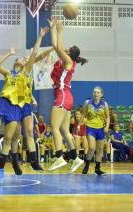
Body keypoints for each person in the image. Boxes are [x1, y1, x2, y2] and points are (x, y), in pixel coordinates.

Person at [0, 28, 52, 180]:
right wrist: (9, 53)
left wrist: (41, 36)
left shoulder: (26, 72)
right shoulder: (9, 73)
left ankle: (1, 169)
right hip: (3, 103)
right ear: (16, 62)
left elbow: (36, 55)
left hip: (18, 106)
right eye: (21, 58)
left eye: (25, 59)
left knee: (10, 138)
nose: (24, 59)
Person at [46, 17, 86, 173]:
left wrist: (60, 31)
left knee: (54, 127)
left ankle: (59, 157)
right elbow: (56, 46)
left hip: (62, 95)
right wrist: (52, 28)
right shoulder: (68, 60)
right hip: (67, 96)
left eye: (68, 48)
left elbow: (58, 47)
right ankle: (75, 158)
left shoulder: (68, 60)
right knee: (64, 131)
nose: (65, 49)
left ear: (70, 53)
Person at [82, 86, 110, 176]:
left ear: (101, 94)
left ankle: (97, 169)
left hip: (101, 128)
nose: (96, 94)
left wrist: (107, 126)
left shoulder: (105, 104)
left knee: (100, 149)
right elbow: (83, 114)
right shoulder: (87, 103)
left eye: (98, 92)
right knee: (92, 148)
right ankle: (86, 166)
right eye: (94, 92)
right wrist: (80, 124)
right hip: (90, 127)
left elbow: (108, 117)